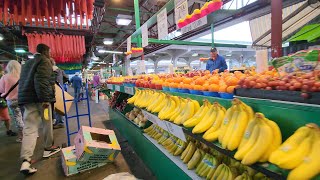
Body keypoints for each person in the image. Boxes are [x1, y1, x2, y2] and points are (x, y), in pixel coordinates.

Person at [19, 44, 61, 175]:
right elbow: (41, 80)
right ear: (45, 51)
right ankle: (48, 148)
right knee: (47, 123)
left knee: (29, 128)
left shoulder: (27, 63)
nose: (50, 53)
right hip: (41, 100)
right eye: (49, 51)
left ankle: (26, 160)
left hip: (27, 100)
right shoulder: (44, 61)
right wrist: (44, 100)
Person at [0, 61, 20, 137]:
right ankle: (30, 134)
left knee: (17, 118)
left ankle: (22, 136)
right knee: (25, 118)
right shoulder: (22, 76)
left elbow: (1, 90)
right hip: (24, 100)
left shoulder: (4, 77)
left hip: (11, 101)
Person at [52, 62, 68, 129]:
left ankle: (60, 122)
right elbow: (66, 78)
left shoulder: (50, 72)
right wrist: (61, 83)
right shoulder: (61, 71)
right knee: (59, 106)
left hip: (54, 91)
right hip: (60, 90)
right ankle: (59, 121)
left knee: (57, 107)